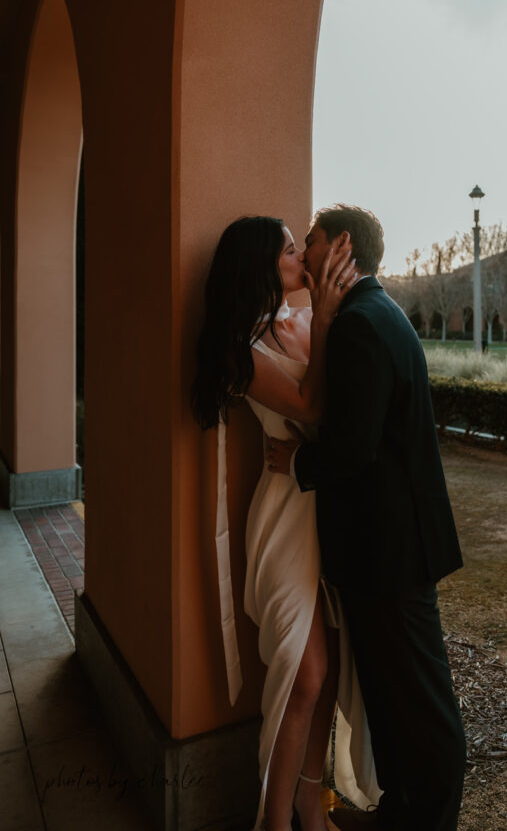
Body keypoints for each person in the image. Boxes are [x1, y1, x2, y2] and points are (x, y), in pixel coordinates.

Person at [268, 205, 467, 831]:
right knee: (390, 695)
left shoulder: (360, 324)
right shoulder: (372, 313)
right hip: (386, 549)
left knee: (420, 704)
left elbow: (353, 445)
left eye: (313, 240)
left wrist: (297, 461)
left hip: (390, 552)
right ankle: (401, 810)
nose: (305, 248)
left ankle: (426, 817)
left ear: (343, 246)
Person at [191, 216, 378, 831]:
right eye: (291, 249)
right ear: (263, 266)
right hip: (284, 521)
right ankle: (272, 823)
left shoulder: (297, 325)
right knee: (304, 674)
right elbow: (312, 406)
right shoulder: (246, 352)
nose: (302, 256)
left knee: (329, 674)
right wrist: (323, 317)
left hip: (325, 508)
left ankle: (310, 802)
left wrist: (324, 315)